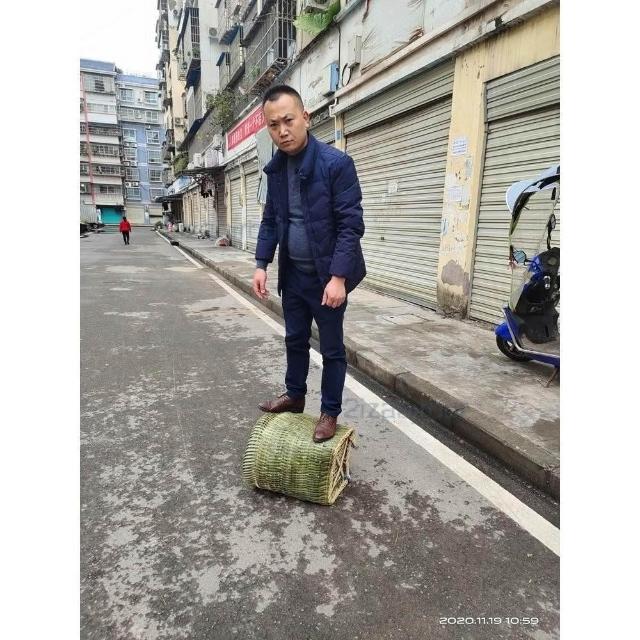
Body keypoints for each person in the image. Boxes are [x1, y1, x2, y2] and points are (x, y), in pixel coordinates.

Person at [253, 85, 366, 443]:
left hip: (327, 278)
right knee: (295, 339)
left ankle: (329, 412)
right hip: (293, 275)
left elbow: (350, 225)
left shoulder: (336, 165)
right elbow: (271, 220)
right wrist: (261, 263)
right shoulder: (276, 170)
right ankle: (295, 395)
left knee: (332, 349)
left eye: (288, 120)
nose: (282, 131)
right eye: (274, 125)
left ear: (306, 117)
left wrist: (339, 277)